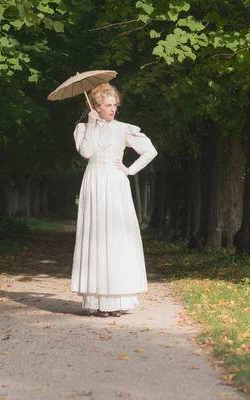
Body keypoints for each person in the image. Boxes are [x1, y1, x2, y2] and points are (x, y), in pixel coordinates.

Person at [70, 82, 158, 318]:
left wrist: (130, 170)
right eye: (108, 105)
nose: (112, 109)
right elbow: (87, 153)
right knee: (96, 237)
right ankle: (97, 301)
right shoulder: (83, 128)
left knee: (116, 237)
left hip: (116, 183)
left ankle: (118, 300)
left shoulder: (123, 129)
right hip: (93, 182)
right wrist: (91, 124)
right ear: (96, 106)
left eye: (115, 105)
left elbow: (150, 150)